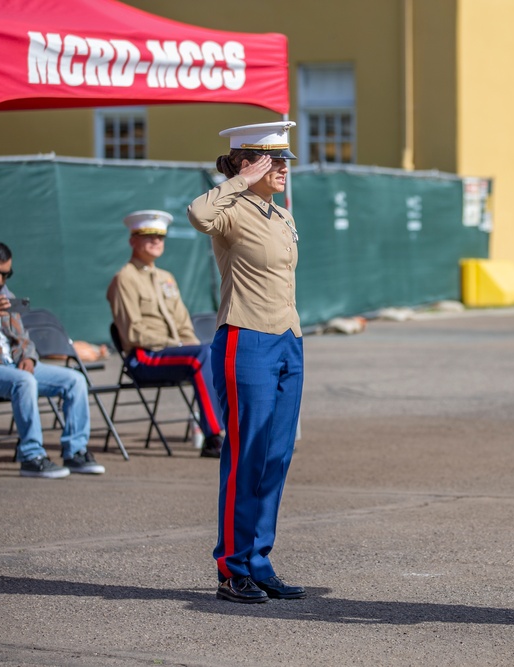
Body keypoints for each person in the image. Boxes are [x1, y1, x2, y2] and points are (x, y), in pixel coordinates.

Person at [187, 121, 306, 604]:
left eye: (283, 160)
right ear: (245, 161)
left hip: (288, 340)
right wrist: (238, 180)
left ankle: (259, 560)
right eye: (271, 159)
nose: (282, 168)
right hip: (246, 339)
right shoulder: (230, 209)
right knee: (246, 455)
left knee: (276, 456)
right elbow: (196, 213)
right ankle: (231, 567)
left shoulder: (281, 216)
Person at [106, 210, 224, 459]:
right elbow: (132, 332)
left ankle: (234, 432)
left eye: (159, 237)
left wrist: (185, 342)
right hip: (144, 356)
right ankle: (214, 438)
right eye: (148, 236)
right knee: (200, 356)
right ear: (132, 241)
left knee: (217, 354)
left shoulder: (165, 278)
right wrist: (178, 344)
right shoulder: (124, 279)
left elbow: (183, 324)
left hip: (170, 352)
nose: (156, 242)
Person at [0, 241, 105, 478]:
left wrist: (29, 358)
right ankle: (31, 456)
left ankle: (75, 452)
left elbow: (23, 337)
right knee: (23, 382)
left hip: (15, 365)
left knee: (75, 380)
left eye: (6, 274)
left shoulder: (7, 295)